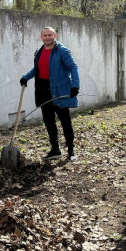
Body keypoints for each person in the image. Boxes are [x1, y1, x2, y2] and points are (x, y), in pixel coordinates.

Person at [20, 26, 80, 161]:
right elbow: (37, 69)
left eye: (50, 35)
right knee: (49, 122)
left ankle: (71, 151)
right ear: (41, 37)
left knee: (65, 121)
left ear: (55, 36)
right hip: (43, 91)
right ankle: (55, 150)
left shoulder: (62, 51)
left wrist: (75, 85)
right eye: (45, 35)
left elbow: (73, 67)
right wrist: (25, 77)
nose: (47, 37)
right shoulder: (39, 52)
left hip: (58, 92)